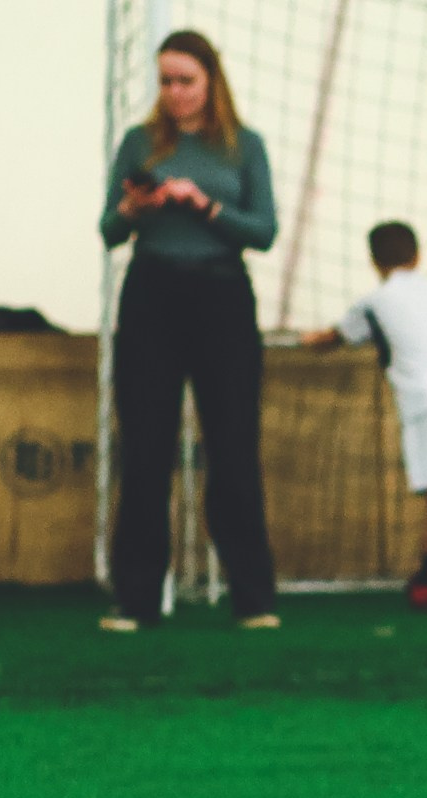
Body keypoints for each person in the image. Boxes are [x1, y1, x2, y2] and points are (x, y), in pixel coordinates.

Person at [97, 29, 279, 632]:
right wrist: (135, 209)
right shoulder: (138, 143)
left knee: (232, 445)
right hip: (153, 293)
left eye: (186, 81)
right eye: (166, 81)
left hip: (222, 295)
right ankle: (137, 599)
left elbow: (263, 231)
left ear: (210, 82)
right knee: (146, 447)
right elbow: (108, 229)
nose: (174, 92)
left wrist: (203, 205)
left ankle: (253, 598)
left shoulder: (243, 146)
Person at [304, 221, 427, 612]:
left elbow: (335, 338)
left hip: (424, 402)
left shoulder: (375, 302)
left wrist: (310, 339)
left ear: (374, 262)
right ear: (417, 256)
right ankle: (426, 576)